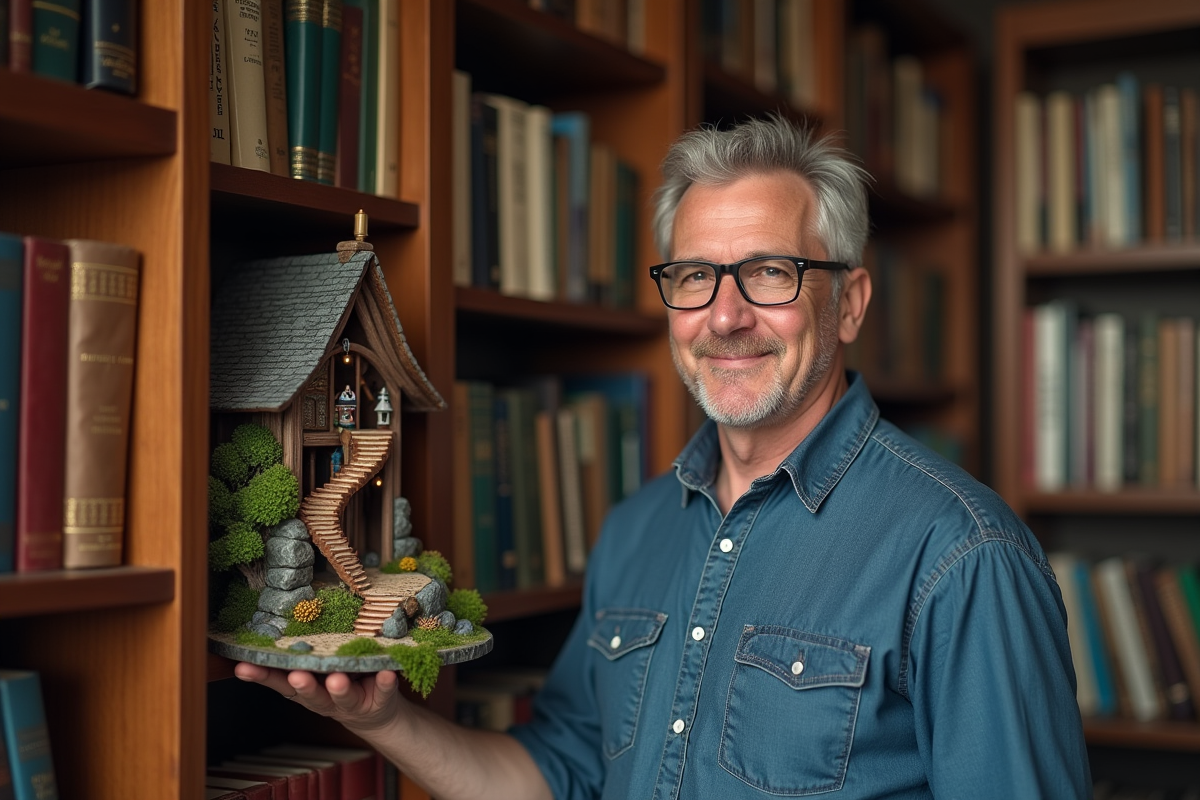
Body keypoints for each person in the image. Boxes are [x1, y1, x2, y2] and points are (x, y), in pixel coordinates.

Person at [235, 115, 1091, 799]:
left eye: (769, 273)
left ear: (851, 302)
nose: (724, 317)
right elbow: (561, 776)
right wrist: (381, 720)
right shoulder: (636, 531)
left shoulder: (962, 555)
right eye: (693, 277)